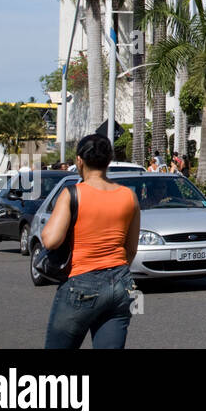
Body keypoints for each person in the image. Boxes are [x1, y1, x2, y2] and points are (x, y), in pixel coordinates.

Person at [42, 134, 141, 349]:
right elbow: (131, 249)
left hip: (82, 281)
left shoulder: (72, 194)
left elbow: (51, 240)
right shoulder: (129, 196)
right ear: (109, 161)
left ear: (79, 160)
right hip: (123, 283)